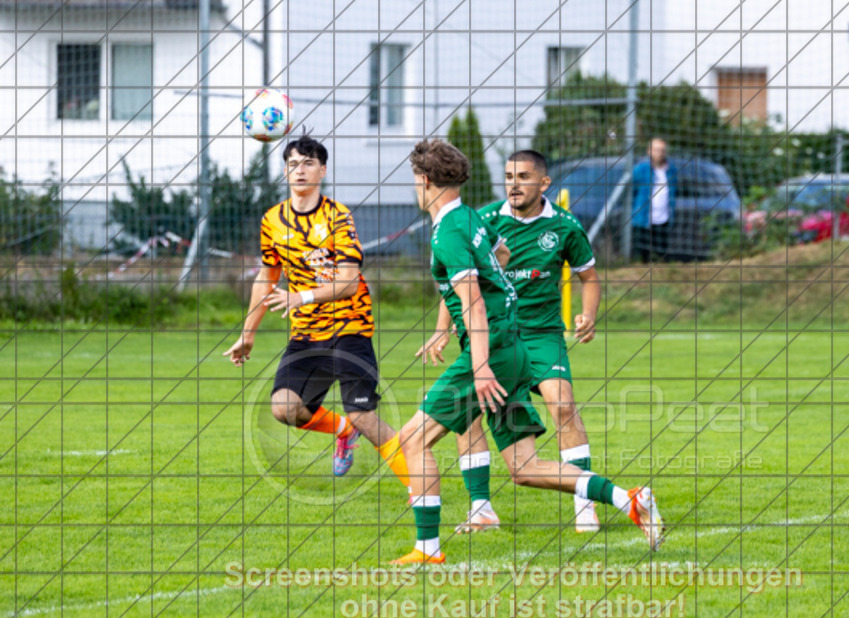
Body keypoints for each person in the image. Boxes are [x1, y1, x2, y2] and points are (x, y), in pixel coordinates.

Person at [392, 138, 664, 565]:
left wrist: (480, 366)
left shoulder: (449, 231)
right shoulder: (472, 219)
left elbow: (474, 303)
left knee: (412, 439)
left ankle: (428, 550)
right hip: (514, 346)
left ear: (423, 181)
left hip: (494, 351)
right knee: (523, 468)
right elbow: (498, 253)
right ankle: (629, 498)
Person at [417, 149, 602, 534]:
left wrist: (589, 315)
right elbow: (459, 282)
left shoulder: (565, 226)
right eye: (508, 176)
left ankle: (585, 504)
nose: (513, 184)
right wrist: (443, 327)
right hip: (499, 334)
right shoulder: (483, 219)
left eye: (523, 176)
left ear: (544, 183)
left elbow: (589, 277)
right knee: (466, 414)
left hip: (541, 334)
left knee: (563, 404)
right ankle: (481, 507)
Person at [223, 134, 409, 487]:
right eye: (293, 164)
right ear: (285, 172)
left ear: (322, 170)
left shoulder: (338, 216)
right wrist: (247, 333)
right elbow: (267, 277)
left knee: (364, 416)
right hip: (305, 335)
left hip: (349, 329)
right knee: (284, 408)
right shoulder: (273, 220)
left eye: (308, 163)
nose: (300, 170)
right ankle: (343, 432)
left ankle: (419, 490)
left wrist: (301, 297)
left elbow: (349, 282)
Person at [631, 137, 678, 263]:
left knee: (662, 253)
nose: (659, 153)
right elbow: (632, 192)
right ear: (649, 151)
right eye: (656, 150)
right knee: (643, 255)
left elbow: (673, 192)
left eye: (662, 150)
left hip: (664, 218)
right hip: (644, 218)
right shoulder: (640, 170)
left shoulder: (671, 170)